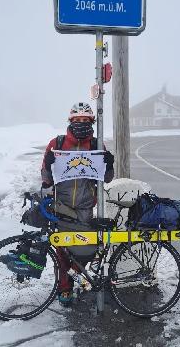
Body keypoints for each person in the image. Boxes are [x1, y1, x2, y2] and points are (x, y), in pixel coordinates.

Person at [41, 102, 114, 306]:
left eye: (85, 121)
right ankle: (64, 288)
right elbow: (46, 180)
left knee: (84, 247)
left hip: (85, 207)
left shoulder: (97, 145)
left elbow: (107, 178)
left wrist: (110, 163)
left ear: (92, 122)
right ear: (70, 122)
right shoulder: (57, 144)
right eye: (77, 120)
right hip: (62, 206)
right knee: (62, 250)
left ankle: (77, 275)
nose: (81, 124)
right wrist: (48, 164)